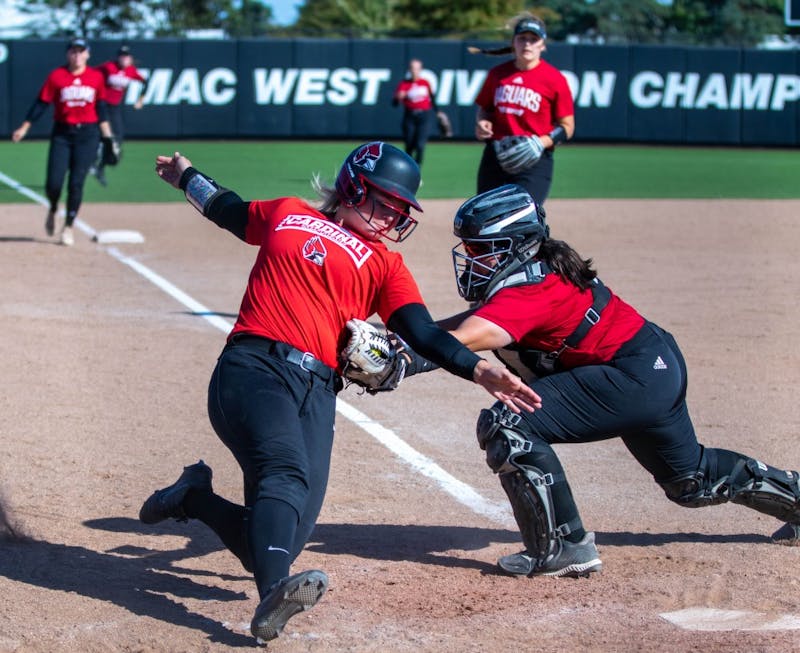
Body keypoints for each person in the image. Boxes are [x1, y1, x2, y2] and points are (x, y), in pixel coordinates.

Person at [138, 143, 541, 643]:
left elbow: (422, 333)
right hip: (253, 368)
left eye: (400, 209)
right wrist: (186, 176)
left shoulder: (386, 265)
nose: (393, 214)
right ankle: (273, 599)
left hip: (317, 392)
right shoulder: (288, 213)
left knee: (282, 532)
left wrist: (477, 368)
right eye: (384, 200)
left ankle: (193, 498)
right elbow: (226, 208)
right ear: (352, 187)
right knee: (283, 475)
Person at [358, 184, 800, 577]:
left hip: (632, 376)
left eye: (483, 249)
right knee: (692, 482)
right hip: (651, 364)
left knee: (508, 424)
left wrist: (401, 360)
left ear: (516, 245)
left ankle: (564, 546)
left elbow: (469, 338)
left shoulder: (531, 290)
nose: (472, 258)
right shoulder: (531, 274)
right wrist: (401, 341)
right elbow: (467, 324)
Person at [11, 37, 115, 246]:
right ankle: (52, 207)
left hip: (87, 135)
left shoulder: (95, 77)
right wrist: (24, 127)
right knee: (54, 183)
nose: (77, 55)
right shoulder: (57, 76)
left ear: (88, 54)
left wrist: (108, 138)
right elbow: (41, 104)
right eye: (73, 51)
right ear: (68, 54)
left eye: (81, 51)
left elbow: (101, 109)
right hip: (62, 134)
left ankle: (68, 226)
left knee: (76, 183)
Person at [472, 14, 575, 206]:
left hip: (534, 160)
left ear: (542, 45)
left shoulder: (554, 79)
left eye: (533, 39)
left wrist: (540, 142)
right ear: (513, 42)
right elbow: (485, 109)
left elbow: (568, 126)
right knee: (484, 218)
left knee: (523, 220)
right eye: (522, 38)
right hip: (496, 155)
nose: (527, 44)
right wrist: (481, 122)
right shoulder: (498, 74)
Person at [92, 44, 148, 186]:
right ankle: (92, 160)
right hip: (101, 105)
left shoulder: (131, 70)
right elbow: (90, 74)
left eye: (126, 56)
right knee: (103, 136)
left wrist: (140, 100)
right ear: (118, 57)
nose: (124, 58)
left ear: (130, 58)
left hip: (114, 107)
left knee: (118, 137)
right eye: (122, 56)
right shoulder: (109, 67)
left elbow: (144, 82)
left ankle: (99, 167)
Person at [392, 59, 436, 168]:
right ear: (409, 70)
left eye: (417, 68)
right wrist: (398, 98)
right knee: (409, 144)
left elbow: (433, 99)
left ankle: (417, 168)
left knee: (420, 145)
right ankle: (408, 168)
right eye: (412, 68)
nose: (414, 71)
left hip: (424, 116)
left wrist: (439, 113)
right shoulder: (404, 84)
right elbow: (395, 103)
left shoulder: (425, 83)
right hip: (410, 116)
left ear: (421, 70)